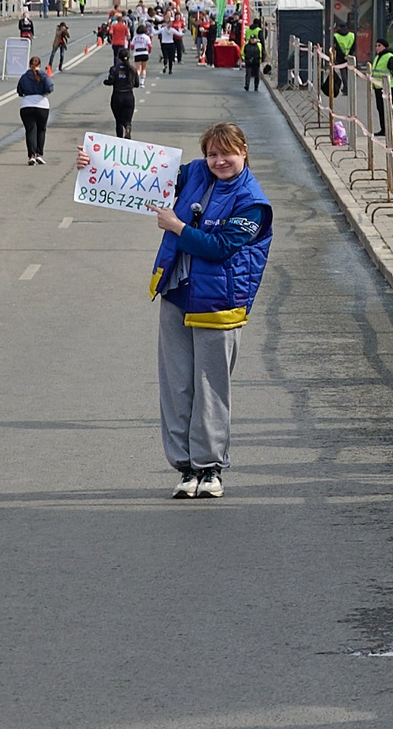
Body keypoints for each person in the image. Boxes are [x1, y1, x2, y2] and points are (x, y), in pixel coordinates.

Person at [89, 121, 274, 499]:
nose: (219, 161)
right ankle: (186, 468)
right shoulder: (195, 174)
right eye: (212, 154)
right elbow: (139, 172)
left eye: (227, 153)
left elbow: (221, 246)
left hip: (218, 304)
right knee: (177, 386)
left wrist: (176, 227)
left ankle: (211, 469)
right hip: (177, 293)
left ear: (244, 152)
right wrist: (91, 164)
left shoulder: (253, 202)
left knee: (210, 389)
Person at [16, 56, 54, 164]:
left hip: (26, 106)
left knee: (30, 130)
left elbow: (19, 91)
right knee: (41, 130)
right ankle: (39, 154)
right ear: (40, 65)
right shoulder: (43, 75)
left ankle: (31, 155)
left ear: (29, 65)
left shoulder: (24, 77)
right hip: (42, 106)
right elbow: (50, 87)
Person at [103, 52, 140, 139]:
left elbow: (111, 81)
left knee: (118, 121)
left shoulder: (114, 69)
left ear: (118, 58)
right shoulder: (132, 69)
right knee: (128, 119)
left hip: (117, 96)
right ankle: (128, 127)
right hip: (128, 96)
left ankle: (119, 139)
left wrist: (105, 82)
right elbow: (137, 84)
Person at [242, 21, 267, 92]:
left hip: (255, 60)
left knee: (255, 74)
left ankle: (255, 86)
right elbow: (262, 44)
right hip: (251, 59)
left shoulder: (248, 30)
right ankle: (247, 85)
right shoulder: (259, 31)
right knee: (249, 73)